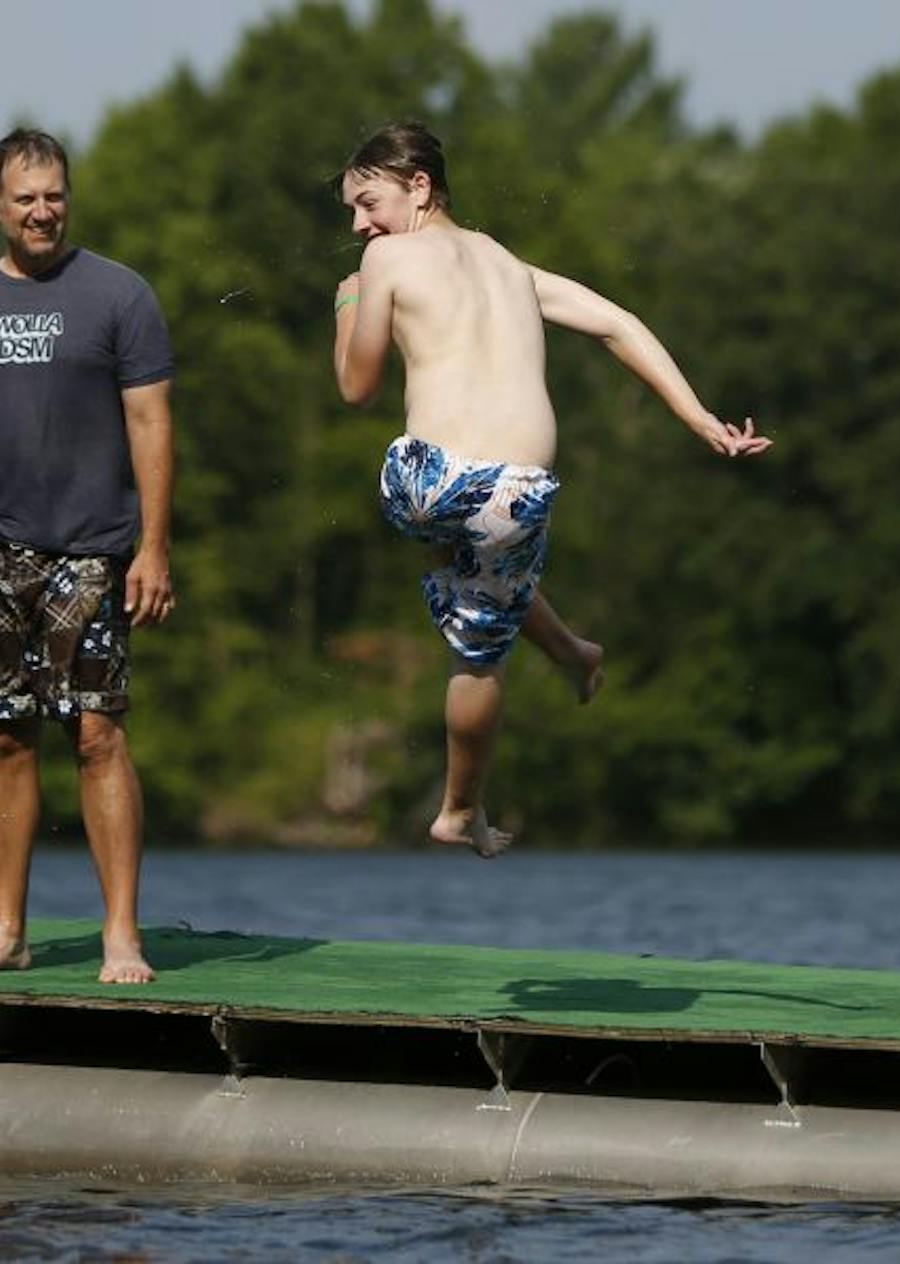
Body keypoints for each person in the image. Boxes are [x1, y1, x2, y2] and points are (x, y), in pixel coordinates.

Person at [331, 120, 770, 860]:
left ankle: (565, 652)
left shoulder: (386, 259)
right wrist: (700, 419)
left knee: (463, 567)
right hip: (520, 495)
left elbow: (356, 387)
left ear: (419, 186)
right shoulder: (511, 266)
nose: (358, 224)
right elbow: (618, 324)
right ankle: (460, 805)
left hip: (425, 482)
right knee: (479, 648)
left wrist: (347, 305)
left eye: (366, 202)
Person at [0, 128, 176, 985]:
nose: (42, 211)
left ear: (68, 199)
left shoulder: (119, 296)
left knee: (97, 736)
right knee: (5, 740)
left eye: (54, 195)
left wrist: (153, 546)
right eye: (26, 199)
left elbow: (151, 422)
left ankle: (120, 934)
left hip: (90, 547)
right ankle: (6, 930)